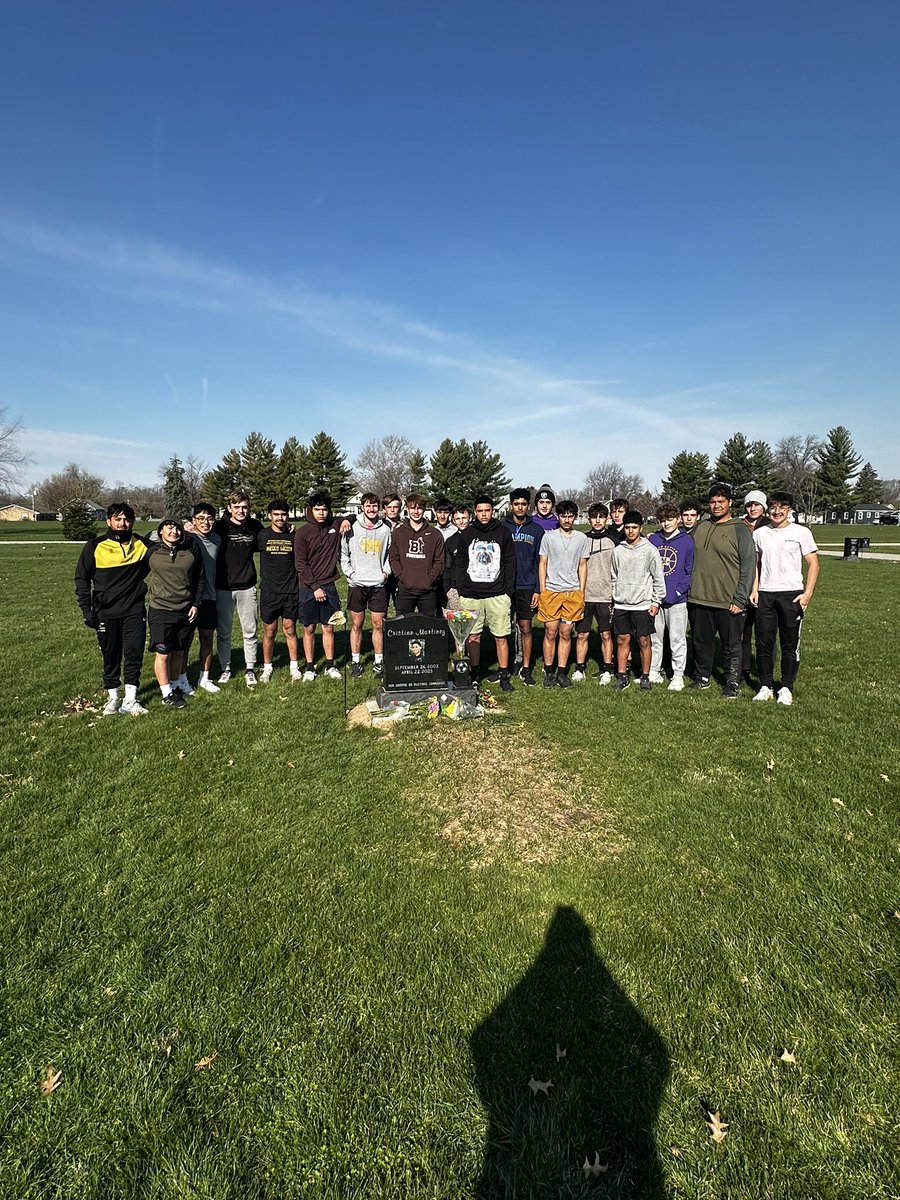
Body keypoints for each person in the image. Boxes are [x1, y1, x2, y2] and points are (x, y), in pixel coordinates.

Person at [74, 502, 150, 716]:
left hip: (134, 610)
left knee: (134, 653)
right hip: (105, 612)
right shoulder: (94, 546)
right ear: (109, 521)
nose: (122, 523)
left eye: (126, 519)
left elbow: (169, 546)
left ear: (132, 521)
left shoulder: (142, 545)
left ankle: (131, 700)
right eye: (117, 519)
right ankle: (113, 698)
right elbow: (82, 579)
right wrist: (86, 610)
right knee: (111, 654)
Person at [687, 483, 755, 698]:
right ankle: (702, 676)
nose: (716, 506)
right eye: (713, 502)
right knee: (700, 642)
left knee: (731, 645)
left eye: (721, 502)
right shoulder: (700, 527)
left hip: (728, 601)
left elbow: (748, 566)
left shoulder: (740, 530)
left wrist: (740, 599)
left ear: (730, 503)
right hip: (699, 597)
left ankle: (732, 681)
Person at [751, 492, 819, 706]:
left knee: (789, 645)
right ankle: (765, 686)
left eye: (782, 507)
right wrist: (755, 589)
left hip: (792, 595)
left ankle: (787, 687)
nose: (777, 511)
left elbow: (814, 564)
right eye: (773, 507)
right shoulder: (760, 533)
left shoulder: (801, 532)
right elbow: (756, 564)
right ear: (768, 509)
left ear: (789, 509)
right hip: (766, 594)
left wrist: (807, 594)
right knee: (764, 644)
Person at [452, 494, 517, 690]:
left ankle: (504, 674)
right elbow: (461, 563)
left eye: (487, 510)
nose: (483, 514)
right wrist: (462, 588)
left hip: (497, 594)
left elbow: (510, 563)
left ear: (493, 511)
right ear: (475, 512)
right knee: (473, 636)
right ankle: (475, 673)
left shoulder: (503, 533)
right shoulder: (467, 535)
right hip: (471, 594)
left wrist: (507, 591)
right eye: (480, 511)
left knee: (501, 636)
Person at [145, 517, 203, 708]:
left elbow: (199, 579)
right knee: (163, 653)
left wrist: (195, 603)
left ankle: (176, 685)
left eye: (177, 528)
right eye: (169, 528)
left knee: (179, 652)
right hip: (160, 609)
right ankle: (166, 692)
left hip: (185, 609)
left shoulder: (190, 550)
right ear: (160, 531)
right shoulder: (152, 551)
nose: (174, 532)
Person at [537, 499, 590, 688]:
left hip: (572, 592)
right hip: (551, 591)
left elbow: (583, 565)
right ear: (557, 517)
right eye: (563, 516)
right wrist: (543, 590)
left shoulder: (581, 539)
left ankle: (561, 672)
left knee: (566, 633)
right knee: (550, 632)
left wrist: (580, 591)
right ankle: (549, 672)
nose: (567, 519)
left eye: (570, 516)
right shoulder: (549, 537)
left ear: (575, 517)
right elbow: (543, 563)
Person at [213, 491, 262, 687]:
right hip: (223, 587)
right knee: (224, 631)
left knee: (250, 630)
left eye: (245, 507)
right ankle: (225, 667)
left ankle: (250, 668)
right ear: (229, 508)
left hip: (247, 586)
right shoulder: (219, 527)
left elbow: (271, 536)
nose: (242, 511)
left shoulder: (254, 527)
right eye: (237, 507)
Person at [611, 511, 665, 690]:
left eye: (634, 528)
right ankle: (622, 676)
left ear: (640, 528)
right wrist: (614, 598)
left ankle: (645, 676)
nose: (630, 531)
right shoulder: (618, 551)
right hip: (621, 604)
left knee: (644, 641)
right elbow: (613, 577)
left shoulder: (650, 550)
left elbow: (658, 578)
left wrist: (656, 602)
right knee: (622, 640)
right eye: (627, 528)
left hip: (643, 604)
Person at [293, 491, 344, 681]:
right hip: (308, 587)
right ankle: (309, 667)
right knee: (309, 628)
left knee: (329, 627)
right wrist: (315, 587)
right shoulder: (302, 533)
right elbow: (301, 564)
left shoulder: (334, 526)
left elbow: (353, 516)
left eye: (324, 509)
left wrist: (346, 519)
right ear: (310, 510)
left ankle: (330, 665)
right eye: (317, 509)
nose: (321, 513)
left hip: (328, 585)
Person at [341, 491, 392, 677]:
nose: (371, 509)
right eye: (368, 505)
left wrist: (385, 573)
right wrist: (350, 574)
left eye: (374, 506)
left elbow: (389, 556)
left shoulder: (385, 530)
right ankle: (356, 661)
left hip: (378, 585)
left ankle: (379, 661)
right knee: (357, 624)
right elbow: (343, 554)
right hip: (357, 585)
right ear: (362, 507)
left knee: (378, 624)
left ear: (379, 508)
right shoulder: (351, 527)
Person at [648, 503, 694, 690]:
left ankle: (677, 675)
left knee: (677, 639)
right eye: (663, 520)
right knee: (655, 638)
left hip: (677, 600)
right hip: (655, 599)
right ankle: (653, 670)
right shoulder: (654, 540)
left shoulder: (687, 541)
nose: (666, 523)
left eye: (670, 519)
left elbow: (689, 571)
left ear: (678, 520)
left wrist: (677, 591)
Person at [573, 503, 620, 684]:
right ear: (589, 519)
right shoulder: (582, 540)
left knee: (606, 634)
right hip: (584, 595)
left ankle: (607, 669)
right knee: (582, 634)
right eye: (594, 517)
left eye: (602, 516)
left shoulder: (614, 540)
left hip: (606, 596)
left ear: (607, 518)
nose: (598, 520)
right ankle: (579, 668)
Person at [257, 498, 301, 682]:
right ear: (270, 516)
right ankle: (267, 668)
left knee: (290, 629)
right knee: (269, 631)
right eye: (276, 514)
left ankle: (294, 666)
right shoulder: (262, 535)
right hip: (269, 591)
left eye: (283, 514)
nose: (280, 517)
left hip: (290, 590)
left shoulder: (293, 535)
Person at [503, 488, 543, 685]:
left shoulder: (536, 530)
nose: (520, 507)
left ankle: (526, 666)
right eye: (516, 504)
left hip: (527, 585)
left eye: (523, 504)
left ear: (528, 506)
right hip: (505, 585)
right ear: (511, 505)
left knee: (525, 626)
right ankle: (507, 665)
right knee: (504, 627)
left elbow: (540, 561)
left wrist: (537, 589)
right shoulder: (502, 527)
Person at [184, 502, 221, 693]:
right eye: (200, 518)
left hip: (210, 597)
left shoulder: (217, 539)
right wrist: (183, 527)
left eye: (209, 518)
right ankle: (182, 679)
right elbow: (157, 535)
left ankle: (204, 678)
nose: (205, 522)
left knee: (207, 638)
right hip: (189, 599)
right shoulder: (186, 537)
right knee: (185, 640)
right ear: (193, 521)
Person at [388, 494, 445, 616]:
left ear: (424, 509)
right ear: (407, 509)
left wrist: (429, 580)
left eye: (419, 508)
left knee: (428, 629)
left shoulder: (435, 534)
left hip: (428, 590)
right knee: (402, 628)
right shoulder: (398, 533)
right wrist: (402, 577)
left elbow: (439, 561)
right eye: (412, 508)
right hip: (405, 588)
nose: (416, 511)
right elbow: (393, 558)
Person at [739, 489, 769, 685]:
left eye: (757, 504)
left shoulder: (770, 525)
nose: (753, 508)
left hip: (767, 584)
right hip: (743, 583)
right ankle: (743, 670)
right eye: (750, 505)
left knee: (765, 633)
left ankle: (765, 672)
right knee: (742, 632)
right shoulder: (739, 526)